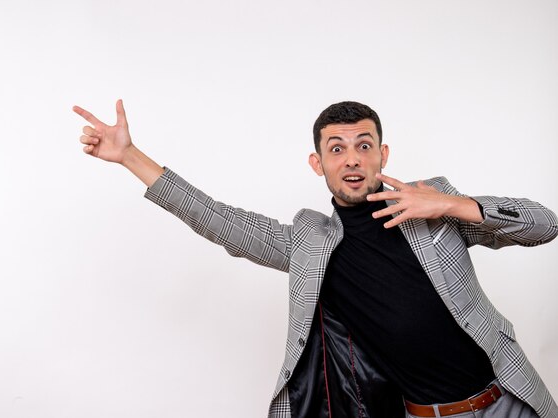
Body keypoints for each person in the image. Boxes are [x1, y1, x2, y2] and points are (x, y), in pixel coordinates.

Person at [73, 100, 558, 418]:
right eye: (337, 148)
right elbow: (217, 219)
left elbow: (546, 224)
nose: (352, 159)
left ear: (382, 155)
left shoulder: (432, 208)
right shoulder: (310, 245)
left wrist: (453, 205)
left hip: (508, 401)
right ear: (317, 162)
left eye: (363, 147)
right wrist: (130, 155)